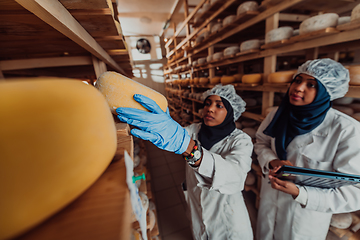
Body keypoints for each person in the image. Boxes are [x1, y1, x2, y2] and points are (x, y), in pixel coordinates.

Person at [116, 84, 254, 240]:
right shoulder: (195, 129)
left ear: (231, 112)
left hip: (227, 219)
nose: (210, 109)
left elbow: (235, 177)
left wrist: (187, 146)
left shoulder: (241, 141)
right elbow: (176, 135)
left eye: (219, 105)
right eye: (208, 103)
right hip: (197, 208)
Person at [254, 58, 360, 240]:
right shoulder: (277, 115)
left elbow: (353, 191)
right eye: (298, 80)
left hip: (305, 219)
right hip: (270, 204)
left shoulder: (346, 130)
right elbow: (261, 142)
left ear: (327, 91)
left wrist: (300, 193)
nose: (298, 88)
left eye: (311, 85)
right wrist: (271, 160)